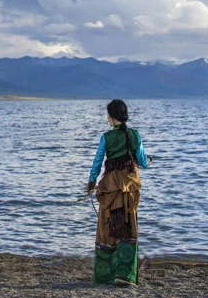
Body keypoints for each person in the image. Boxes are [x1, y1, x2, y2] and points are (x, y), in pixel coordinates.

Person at [86, 99, 150, 287]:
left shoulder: (106, 137)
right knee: (129, 227)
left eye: (108, 115)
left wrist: (91, 182)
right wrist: (149, 161)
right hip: (129, 189)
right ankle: (125, 275)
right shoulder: (135, 135)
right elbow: (143, 161)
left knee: (107, 228)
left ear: (111, 117)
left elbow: (97, 162)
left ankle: (106, 275)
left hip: (110, 189)